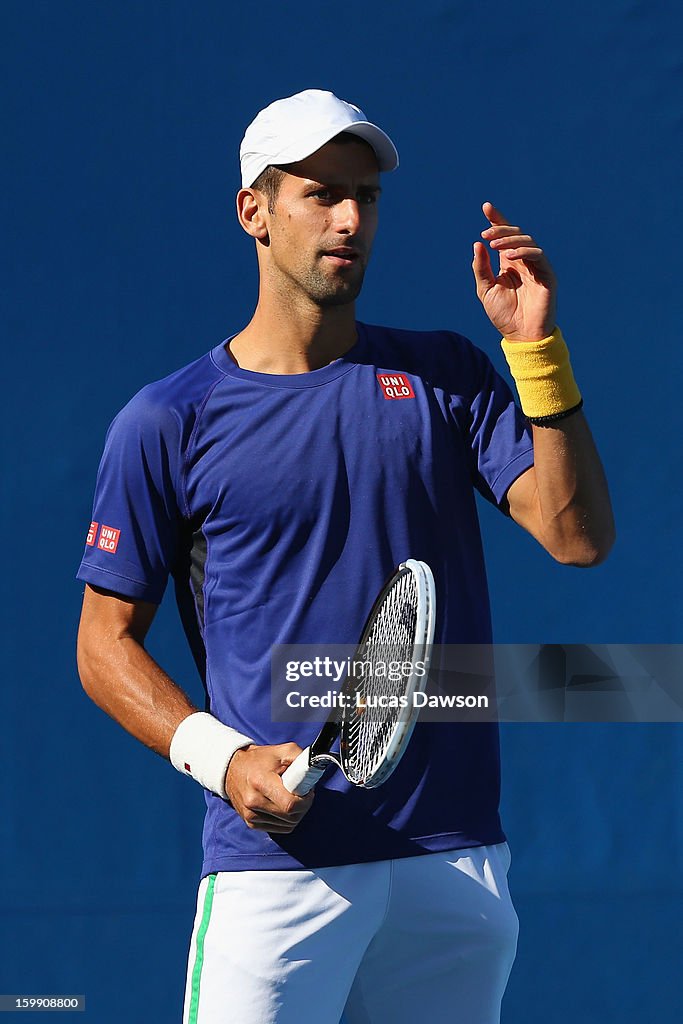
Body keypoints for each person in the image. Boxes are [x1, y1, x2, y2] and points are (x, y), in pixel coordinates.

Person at [76, 89, 615, 1023]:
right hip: (277, 874)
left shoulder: (446, 375)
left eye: (363, 196)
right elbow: (103, 644)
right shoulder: (166, 422)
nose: (349, 219)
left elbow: (577, 537)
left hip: (451, 863)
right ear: (254, 211)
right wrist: (224, 758)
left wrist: (536, 352)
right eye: (320, 193)